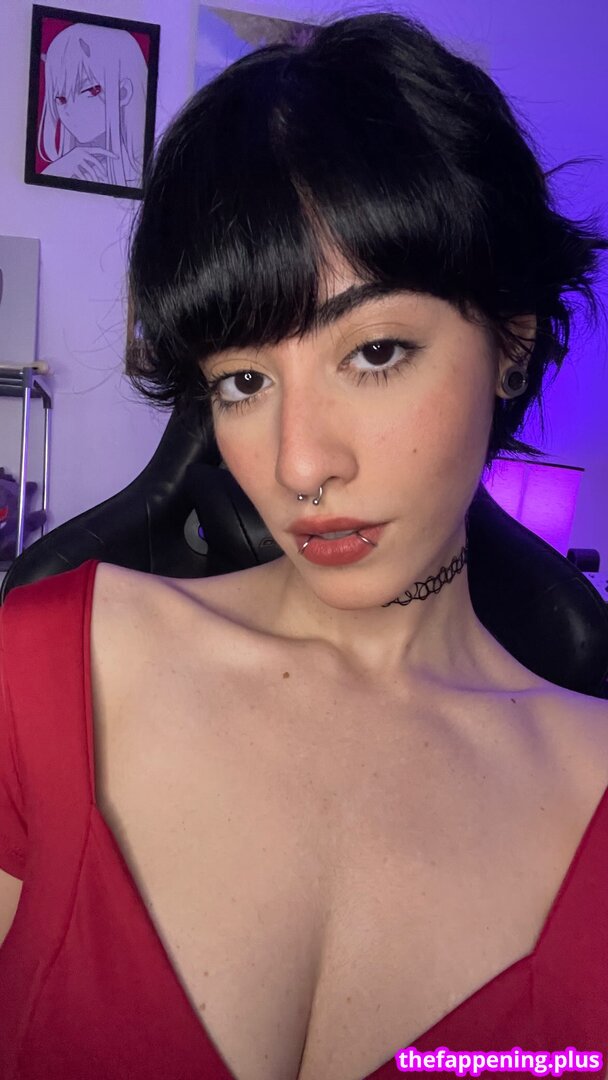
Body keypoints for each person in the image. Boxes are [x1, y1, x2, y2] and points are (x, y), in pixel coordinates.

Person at [2, 11, 608, 1080]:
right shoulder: (41, 668)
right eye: (243, 381)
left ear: (510, 347)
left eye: (373, 352)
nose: (298, 464)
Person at [37, 22, 148, 187]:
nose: (69, 111)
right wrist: (55, 172)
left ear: (123, 92)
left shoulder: (144, 175)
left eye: (89, 90)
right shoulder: (65, 169)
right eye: (61, 99)